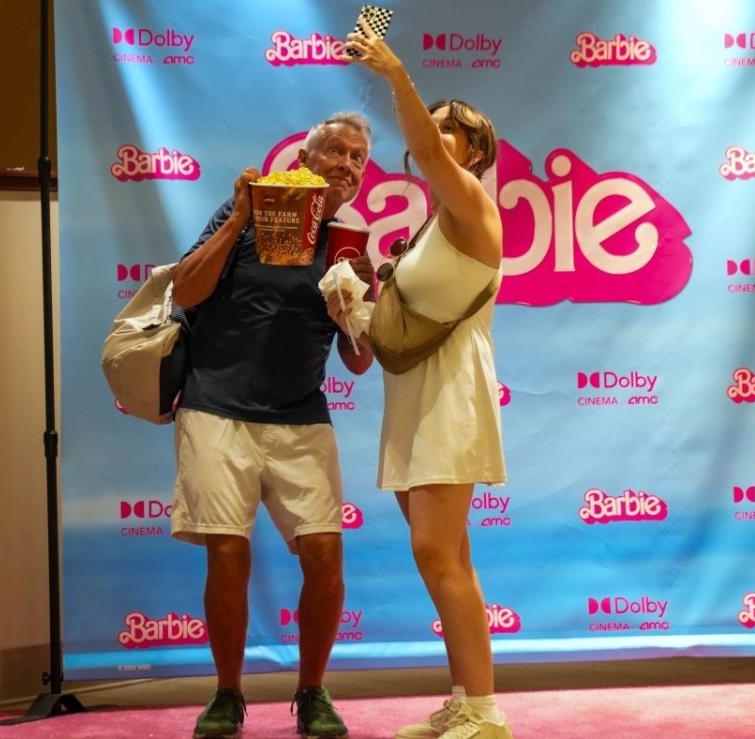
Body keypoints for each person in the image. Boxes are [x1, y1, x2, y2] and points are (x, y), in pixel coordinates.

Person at [170, 112, 375, 739]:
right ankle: (228, 695)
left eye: (359, 158)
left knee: (325, 554)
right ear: (304, 159)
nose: (346, 163)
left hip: (300, 415)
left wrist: (361, 298)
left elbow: (359, 361)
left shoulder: (346, 246)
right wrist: (238, 219)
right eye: (335, 151)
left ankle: (312, 692)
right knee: (227, 554)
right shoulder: (246, 215)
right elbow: (185, 290)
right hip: (215, 408)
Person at [335, 23, 512, 739]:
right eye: (429, 128)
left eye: (446, 130)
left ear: (471, 149)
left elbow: (431, 148)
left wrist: (394, 73)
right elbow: (390, 338)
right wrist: (351, 304)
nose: (432, 138)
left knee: (437, 552)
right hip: (412, 396)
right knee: (448, 556)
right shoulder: (428, 228)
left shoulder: (469, 203)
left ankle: (486, 712)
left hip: (451, 398)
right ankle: (465, 696)